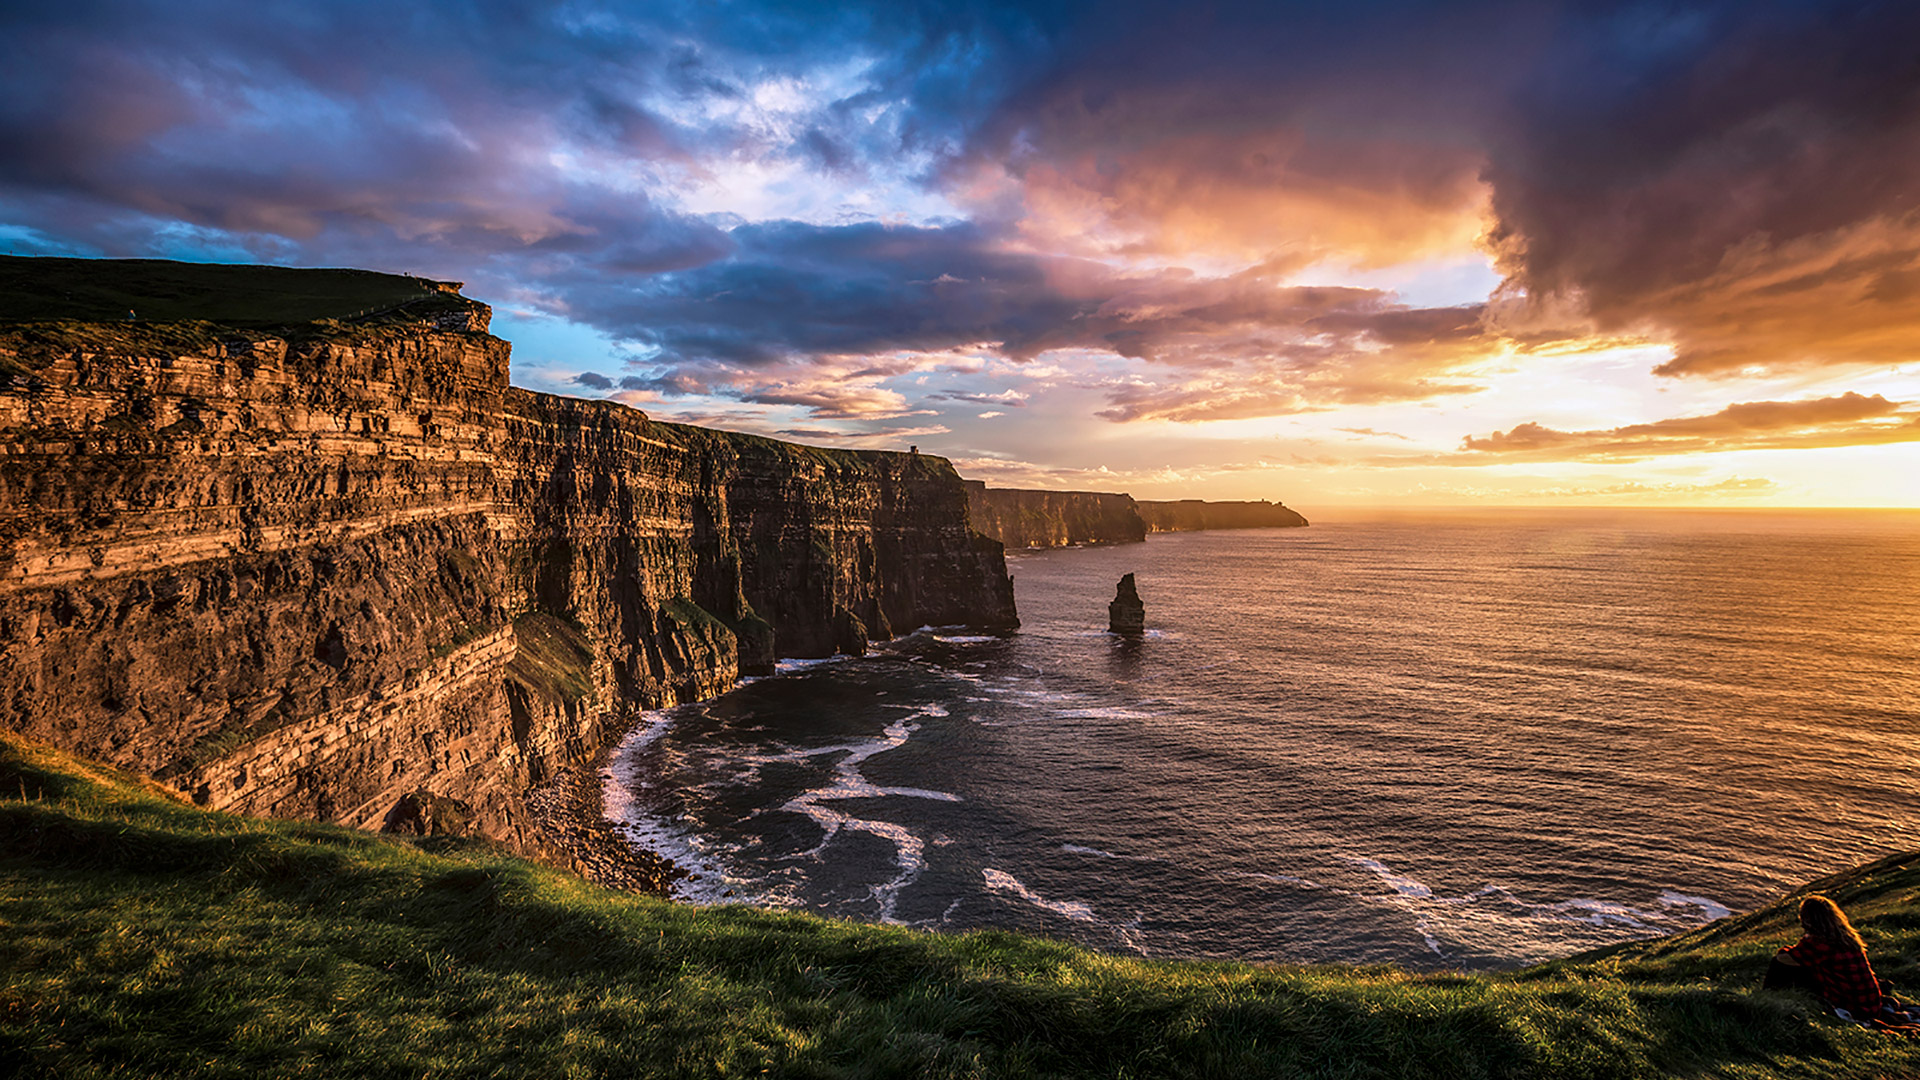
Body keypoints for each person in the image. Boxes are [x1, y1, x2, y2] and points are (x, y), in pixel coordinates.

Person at [1768, 895, 1918, 1029]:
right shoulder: (1847, 937)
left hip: (1854, 1006)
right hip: (1872, 1002)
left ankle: (1768, 999)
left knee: (1779, 965)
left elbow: (1786, 959)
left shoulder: (1820, 943)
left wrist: (1785, 951)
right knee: (1802, 965)